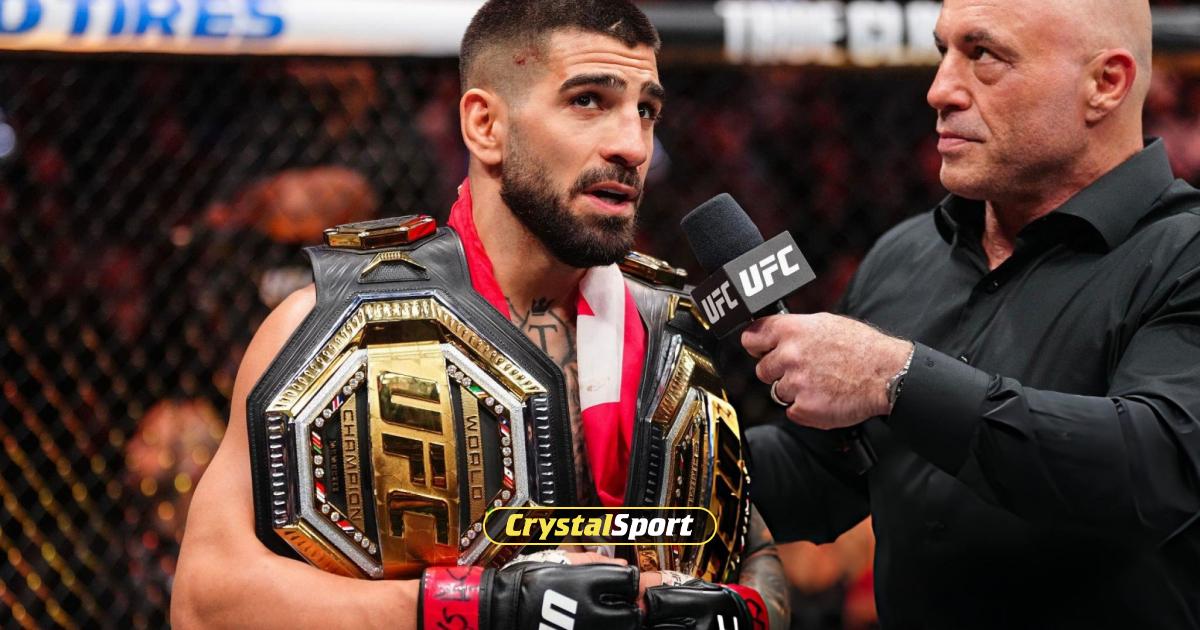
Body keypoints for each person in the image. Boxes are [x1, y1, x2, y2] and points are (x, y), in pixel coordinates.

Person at [171, 2, 788, 629]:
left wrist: (741, 613)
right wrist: (475, 606)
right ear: (485, 124)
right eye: (587, 101)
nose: (633, 146)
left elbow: (751, 552)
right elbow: (202, 602)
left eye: (646, 111)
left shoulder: (673, 335)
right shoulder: (329, 332)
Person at [743, 0, 1200, 627]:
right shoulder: (906, 253)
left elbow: (1152, 467)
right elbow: (825, 472)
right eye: (944, 52)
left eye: (984, 55)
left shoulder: (1185, 255)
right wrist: (661, 454)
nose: (940, 90)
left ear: (1105, 83)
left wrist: (896, 377)